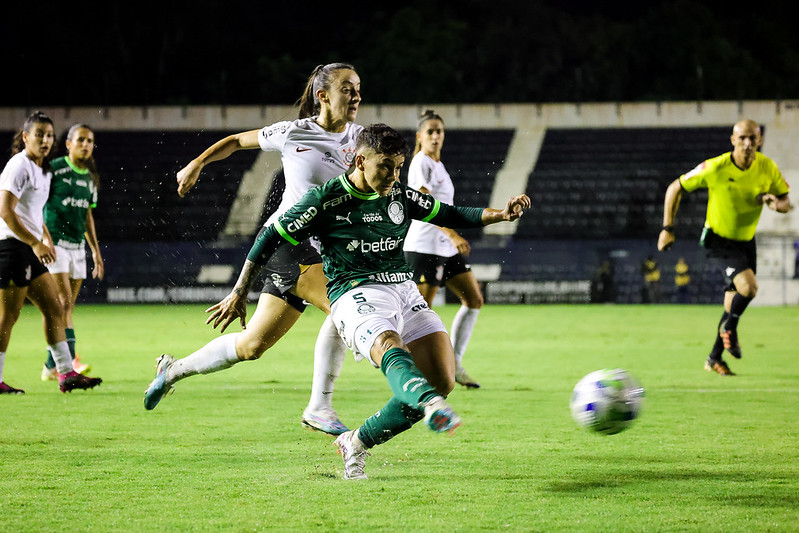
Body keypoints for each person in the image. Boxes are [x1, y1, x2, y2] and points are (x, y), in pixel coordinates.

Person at [151, 124, 530, 479]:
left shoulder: (397, 193)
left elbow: (448, 213)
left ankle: (356, 441)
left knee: (442, 379)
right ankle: (406, 403)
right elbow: (269, 237)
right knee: (387, 346)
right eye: (387, 167)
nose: (394, 176)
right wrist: (238, 290)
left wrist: (501, 214)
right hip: (354, 291)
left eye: (399, 168)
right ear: (361, 161)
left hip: (402, 288)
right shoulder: (325, 199)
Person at [144, 63, 361, 436]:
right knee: (346, 304)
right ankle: (319, 406)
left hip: (323, 251)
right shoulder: (294, 132)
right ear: (322, 95)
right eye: (347, 89)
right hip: (286, 242)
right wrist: (197, 164)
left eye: (358, 89)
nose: (356, 96)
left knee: (251, 346)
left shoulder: (362, 139)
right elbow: (235, 142)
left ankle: (173, 369)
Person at [658, 119, 791, 376]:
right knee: (749, 288)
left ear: (760, 140)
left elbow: (786, 201)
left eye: (753, 138)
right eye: (742, 138)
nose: (748, 143)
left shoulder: (767, 167)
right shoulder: (715, 167)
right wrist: (667, 229)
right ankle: (729, 328)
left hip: (745, 241)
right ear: (732, 140)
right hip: (718, 239)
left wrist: (774, 203)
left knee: (733, 304)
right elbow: (675, 187)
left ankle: (714, 358)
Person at [0, 111, 102, 394]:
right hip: (11, 247)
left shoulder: (43, 170)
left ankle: (66, 372)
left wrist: (43, 236)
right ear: (25, 138)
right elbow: (6, 212)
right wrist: (35, 242)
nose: (45, 141)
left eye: (49, 136)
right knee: (8, 317)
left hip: (30, 248)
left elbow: (33, 212)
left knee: (56, 307)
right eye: (39, 135)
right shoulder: (18, 166)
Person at [403, 110, 483, 388]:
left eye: (440, 131)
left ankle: (456, 363)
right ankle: (412, 373)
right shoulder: (420, 163)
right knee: (420, 313)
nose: (436, 136)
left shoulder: (439, 165)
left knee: (473, 299)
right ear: (420, 136)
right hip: (424, 247)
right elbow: (424, 209)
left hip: (444, 248)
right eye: (431, 132)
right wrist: (451, 235)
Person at [40, 124, 103, 381]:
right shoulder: (54, 168)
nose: (85, 145)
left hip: (77, 246)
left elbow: (88, 215)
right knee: (62, 303)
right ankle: (67, 364)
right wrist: (43, 238)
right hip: (56, 244)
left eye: (89, 141)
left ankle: (50, 365)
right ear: (68, 143)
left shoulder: (90, 177)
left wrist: (95, 251)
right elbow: (37, 201)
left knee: (67, 309)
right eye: (80, 140)